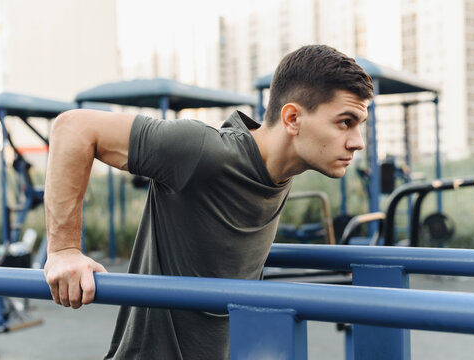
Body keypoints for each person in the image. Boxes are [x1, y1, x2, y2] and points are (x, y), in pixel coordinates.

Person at [43, 44, 374, 359]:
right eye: (346, 122)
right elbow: (74, 127)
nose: (357, 142)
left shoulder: (279, 171)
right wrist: (63, 251)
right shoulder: (205, 151)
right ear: (292, 119)